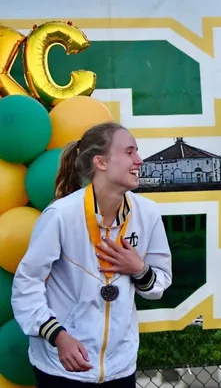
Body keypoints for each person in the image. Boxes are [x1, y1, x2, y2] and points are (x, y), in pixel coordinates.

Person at [11, 122, 173, 387]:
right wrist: (58, 336)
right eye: (129, 152)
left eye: (137, 152)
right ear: (101, 162)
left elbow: (159, 284)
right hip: (62, 366)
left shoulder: (148, 213)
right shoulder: (60, 215)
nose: (139, 160)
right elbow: (26, 283)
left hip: (120, 367)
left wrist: (139, 270)